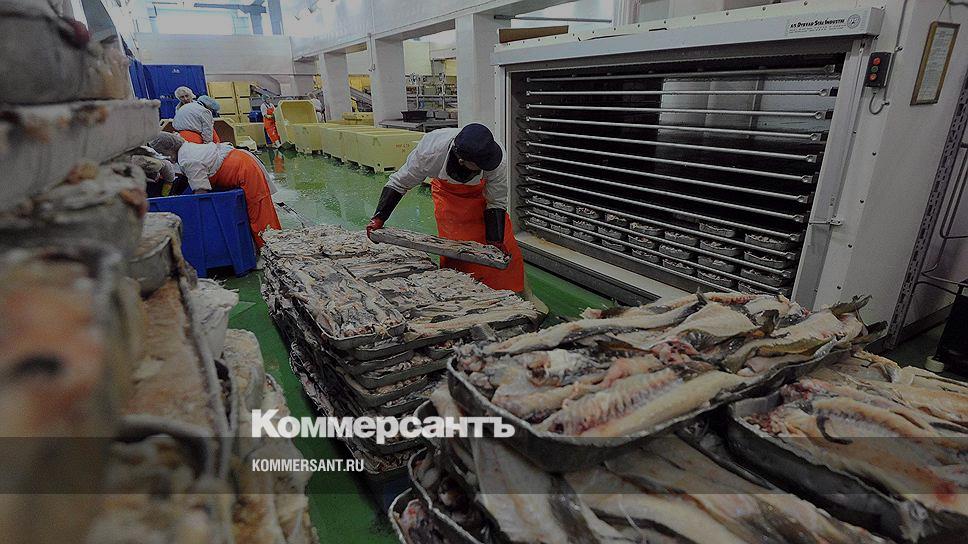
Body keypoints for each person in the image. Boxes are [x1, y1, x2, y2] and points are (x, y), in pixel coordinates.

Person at [365, 123, 524, 292]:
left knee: (507, 251)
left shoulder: (495, 159)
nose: (483, 168)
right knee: (457, 252)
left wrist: (495, 241)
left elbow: (496, 201)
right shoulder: (430, 151)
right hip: (449, 198)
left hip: (483, 199)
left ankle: (512, 291)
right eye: (478, 166)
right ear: (461, 160)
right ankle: (462, 292)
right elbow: (399, 183)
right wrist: (379, 218)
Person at [148, 133, 281, 248]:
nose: (167, 159)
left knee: (259, 213)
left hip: (245, 169)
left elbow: (201, 192)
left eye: (164, 155)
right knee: (253, 212)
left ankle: (272, 250)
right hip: (240, 161)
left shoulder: (188, 160)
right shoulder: (185, 149)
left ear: (169, 150)